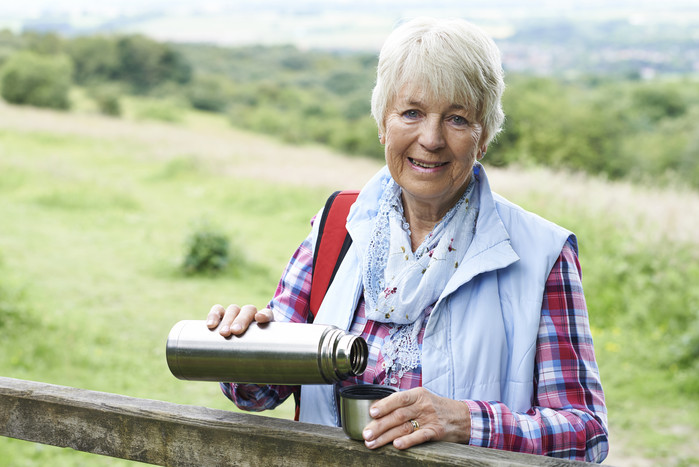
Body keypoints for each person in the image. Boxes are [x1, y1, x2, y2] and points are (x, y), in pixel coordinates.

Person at [205, 17, 608, 462]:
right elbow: (261, 393)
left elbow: (585, 433)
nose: (431, 139)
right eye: (411, 112)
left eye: (457, 118)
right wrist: (240, 347)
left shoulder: (542, 253)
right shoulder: (339, 223)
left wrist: (464, 421)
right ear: (383, 123)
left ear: (485, 137)